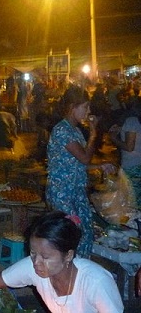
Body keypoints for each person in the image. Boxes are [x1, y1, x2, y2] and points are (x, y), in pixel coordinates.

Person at [0, 211, 123, 313]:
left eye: (45, 257)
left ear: (69, 255)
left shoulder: (96, 282)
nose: (36, 262)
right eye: (32, 253)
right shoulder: (34, 267)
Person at [46, 85, 116, 258]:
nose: (88, 111)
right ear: (72, 107)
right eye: (85, 107)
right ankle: (66, 278)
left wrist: (99, 166)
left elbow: (79, 164)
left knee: (85, 233)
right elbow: (84, 157)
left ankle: (79, 276)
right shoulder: (62, 130)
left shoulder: (75, 130)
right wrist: (93, 134)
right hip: (63, 192)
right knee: (70, 238)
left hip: (76, 191)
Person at [109, 108, 141, 206]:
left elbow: (129, 147)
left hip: (132, 166)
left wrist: (113, 138)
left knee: (131, 199)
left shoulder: (131, 120)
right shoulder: (135, 121)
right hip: (137, 164)